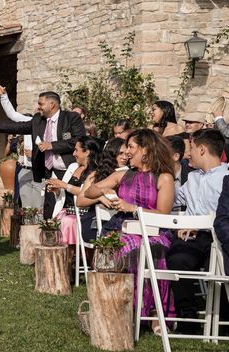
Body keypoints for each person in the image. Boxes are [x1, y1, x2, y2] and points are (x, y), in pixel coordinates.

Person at [84, 129, 176, 333]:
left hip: (152, 231)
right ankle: (123, 309)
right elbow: (89, 192)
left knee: (152, 248)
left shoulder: (164, 178)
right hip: (120, 228)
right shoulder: (122, 174)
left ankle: (154, 313)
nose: (126, 153)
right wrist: (103, 190)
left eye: (131, 148)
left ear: (145, 150)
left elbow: (163, 214)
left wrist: (134, 209)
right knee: (126, 245)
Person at [0, 91, 85, 219]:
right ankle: (48, 237)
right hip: (49, 173)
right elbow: (16, 127)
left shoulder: (71, 118)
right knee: (49, 212)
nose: (38, 107)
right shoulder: (38, 120)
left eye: (41, 104)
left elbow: (78, 140)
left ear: (52, 104)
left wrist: (52, 145)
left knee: (71, 210)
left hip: (70, 171)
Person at [166, 129, 229, 334]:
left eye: (191, 148)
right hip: (191, 237)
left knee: (219, 266)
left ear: (202, 149)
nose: (188, 153)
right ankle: (188, 318)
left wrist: (197, 223)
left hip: (218, 238)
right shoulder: (191, 178)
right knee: (177, 258)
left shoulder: (226, 177)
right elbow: (174, 200)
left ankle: (222, 318)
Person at [46, 136, 100, 245]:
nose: (73, 154)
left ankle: (73, 256)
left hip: (84, 212)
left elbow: (87, 193)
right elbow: (63, 194)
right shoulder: (72, 167)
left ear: (87, 152)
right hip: (67, 210)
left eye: (76, 150)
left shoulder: (95, 171)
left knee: (68, 222)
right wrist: (57, 189)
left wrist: (64, 185)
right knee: (58, 220)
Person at [0, 82, 36, 208]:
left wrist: (35, 154)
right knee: (24, 206)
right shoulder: (29, 123)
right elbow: (12, 114)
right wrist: (4, 96)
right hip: (24, 170)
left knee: (38, 206)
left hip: (39, 172)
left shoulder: (46, 125)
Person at [76, 138, 127, 242]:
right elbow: (79, 201)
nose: (124, 157)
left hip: (120, 220)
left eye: (127, 154)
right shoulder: (96, 175)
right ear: (112, 154)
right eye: (120, 153)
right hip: (94, 220)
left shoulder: (130, 174)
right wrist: (99, 197)